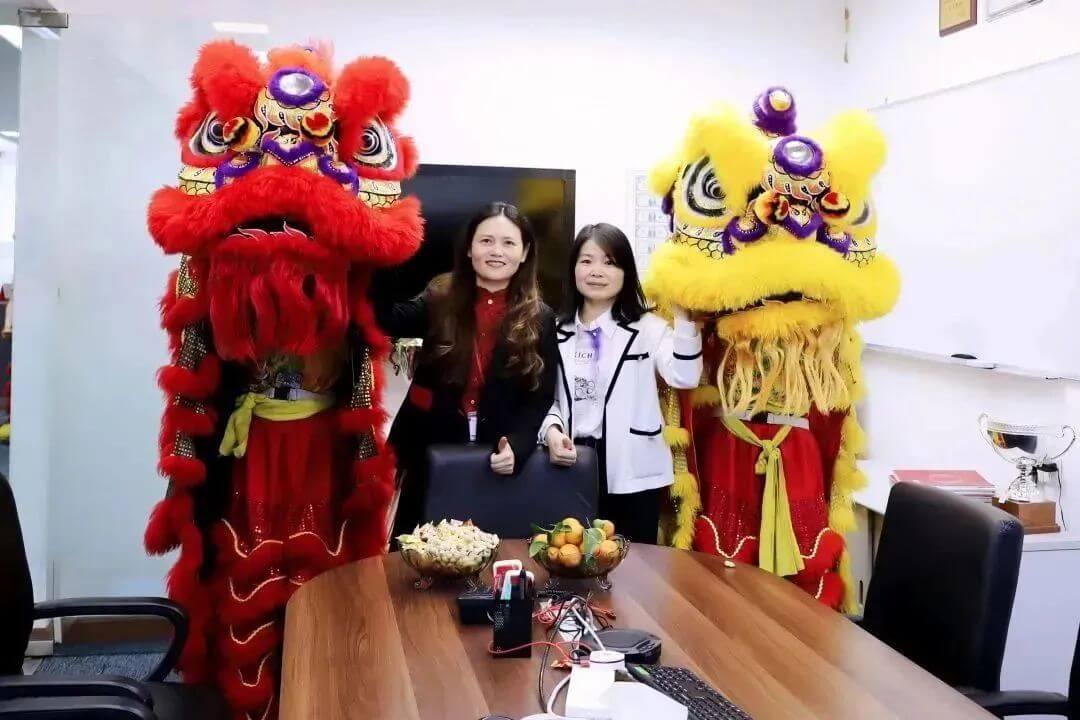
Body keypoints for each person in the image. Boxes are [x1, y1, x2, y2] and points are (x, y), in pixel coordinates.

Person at [378, 201, 558, 538]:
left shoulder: (541, 318)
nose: (496, 251)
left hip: (496, 456)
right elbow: (386, 318)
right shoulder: (439, 298)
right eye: (486, 241)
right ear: (469, 248)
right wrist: (384, 248)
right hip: (430, 451)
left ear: (524, 253)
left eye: (508, 243)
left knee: (487, 552)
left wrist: (519, 445)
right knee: (417, 554)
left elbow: (540, 396)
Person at [540, 223, 702, 544]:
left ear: (626, 272)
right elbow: (546, 399)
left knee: (634, 562)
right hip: (571, 461)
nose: (596, 271)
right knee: (569, 555)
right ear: (573, 269)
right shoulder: (555, 331)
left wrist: (684, 320)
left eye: (609, 262)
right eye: (586, 261)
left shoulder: (649, 328)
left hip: (632, 467)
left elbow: (685, 376)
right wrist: (552, 432)